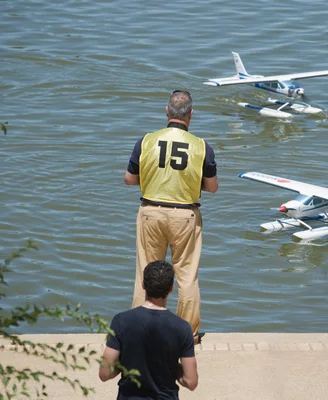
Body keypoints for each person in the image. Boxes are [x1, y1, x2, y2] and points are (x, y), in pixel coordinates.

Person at [124, 90, 218, 343]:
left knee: (145, 272)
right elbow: (212, 187)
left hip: (150, 212)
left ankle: (139, 330)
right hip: (185, 215)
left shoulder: (146, 141)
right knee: (187, 275)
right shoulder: (201, 146)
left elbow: (129, 179)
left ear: (166, 111)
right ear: (191, 114)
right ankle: (187, 334)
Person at [99, 260, 198, 398]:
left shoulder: (120, 321)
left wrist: (126, 362)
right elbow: (191, 381)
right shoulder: (182, 327)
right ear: (171, 288)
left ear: (143, 285)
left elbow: (105, 373)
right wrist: (171, 366)